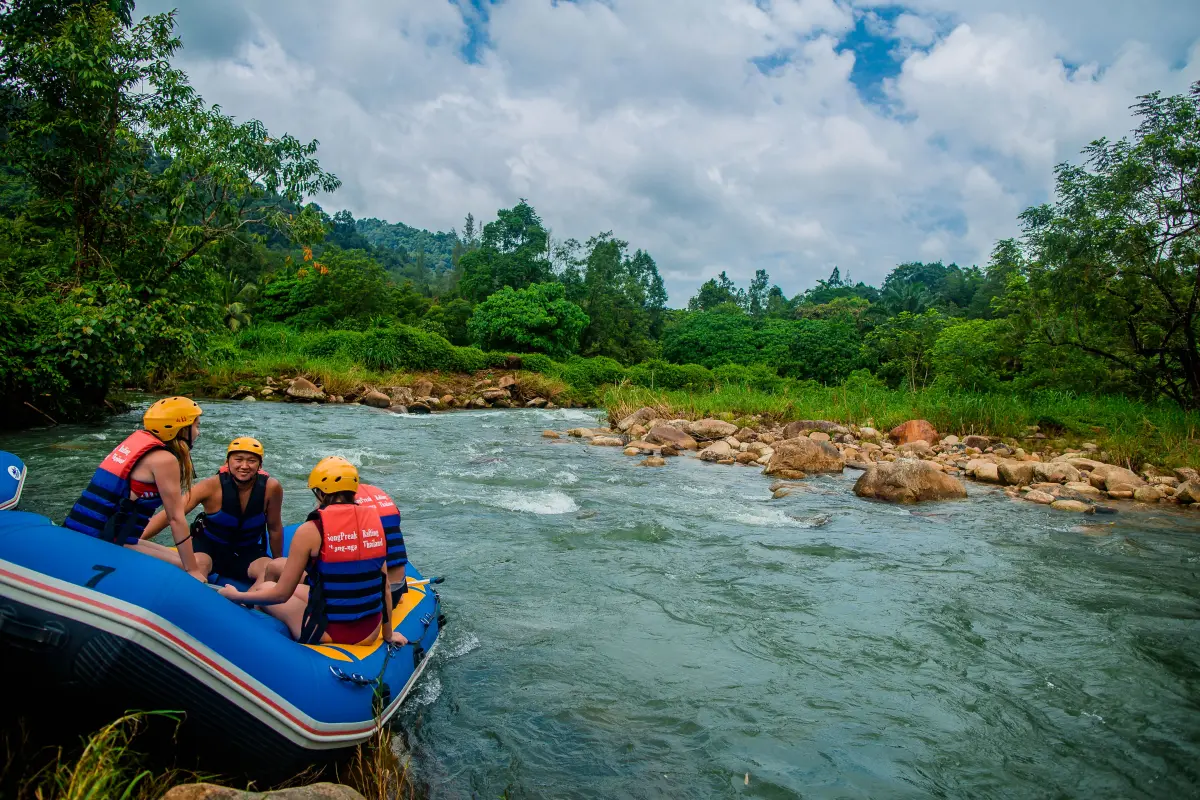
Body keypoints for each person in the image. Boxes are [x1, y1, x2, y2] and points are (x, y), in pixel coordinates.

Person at [219, 457, 407, 647]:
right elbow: (385, 587)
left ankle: (264, 643)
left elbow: (281, 594)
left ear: (320, 492)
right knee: (300, 590)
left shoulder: (311, 529)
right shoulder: (374, 522)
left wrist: (237, 595)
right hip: (370, 632)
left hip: (331, 632)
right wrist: (388, 635)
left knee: (264, 589)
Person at [64, 396, 203, 578]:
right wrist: (192, 571)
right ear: (181, 429)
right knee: (183, 567)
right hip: (105, 540)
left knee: (182, 559)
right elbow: (176, 518)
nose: (198, 432)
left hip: (100, 532)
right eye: (196, 426)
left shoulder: (139, 443)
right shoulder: (165, 460)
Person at [142, 437, 283, 585]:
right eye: (238, 459)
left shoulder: (271, 488)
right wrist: (138, 537)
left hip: (247, 549)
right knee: (199, 564)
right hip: (209, 547)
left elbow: (274, 527)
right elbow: (172, 514)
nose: (244, 466)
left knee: (270, 570)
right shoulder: (211, 486)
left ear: (260, 464)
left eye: (252, 461)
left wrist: (277, 559)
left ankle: (252, 604)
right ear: (227, 462)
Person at [262, 473, 410, 603]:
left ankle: (261, 613)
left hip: (353, 599)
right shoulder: (377, 497)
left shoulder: (331, 517)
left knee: (276, 567)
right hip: (394, 591)